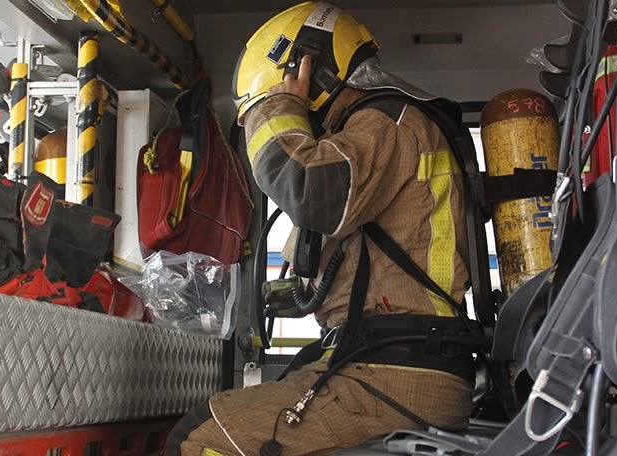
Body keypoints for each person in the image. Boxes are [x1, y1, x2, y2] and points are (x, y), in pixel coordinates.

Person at [167, 2, 478, 454]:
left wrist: (272, 108)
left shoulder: (388, 120)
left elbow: (308, 188)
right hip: (382, 363)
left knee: (200, 437)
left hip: (395, 372)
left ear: (312, 71)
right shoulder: (369, 135)